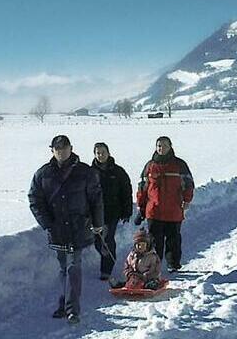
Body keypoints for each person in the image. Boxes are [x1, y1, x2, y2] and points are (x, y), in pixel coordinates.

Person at [28, 134, 103, 325]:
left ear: (71, 148)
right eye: (57, 148)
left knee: (73, 267)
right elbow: (35, 200)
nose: (61, 151)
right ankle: (64, 304)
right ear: (52, 150)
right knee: (63, 268)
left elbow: (96, 199)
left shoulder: (85, 172)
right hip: (58, 229)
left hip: (79, 226)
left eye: (64, 147)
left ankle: (72, 309)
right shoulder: (43, 174)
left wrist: (98, 222)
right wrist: (47, 223)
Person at [135, 136, 194, 272]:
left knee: (173, 240)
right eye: (159, 146)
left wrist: (187, 200)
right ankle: (154, 266)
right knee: (155, 242)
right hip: (154, 211)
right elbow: (142, 187)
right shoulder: (150, 166)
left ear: (170, 147)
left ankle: (173, 264)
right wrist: (141, 207)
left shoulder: (179, 165)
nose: (162, 148)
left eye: (165, 146)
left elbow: (188, 184)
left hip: (173, 211)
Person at [91, 142, 133, 281]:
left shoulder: (118, 171)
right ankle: (108, 257)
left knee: (107, 239)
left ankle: (107, 269)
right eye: (98, 152)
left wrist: (127, 211)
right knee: (98, 241)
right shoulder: (89, 172)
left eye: (103, 152)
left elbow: (126, 191)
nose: (100, 155)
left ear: (108, 152)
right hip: (94, 213)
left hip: (112, 212)